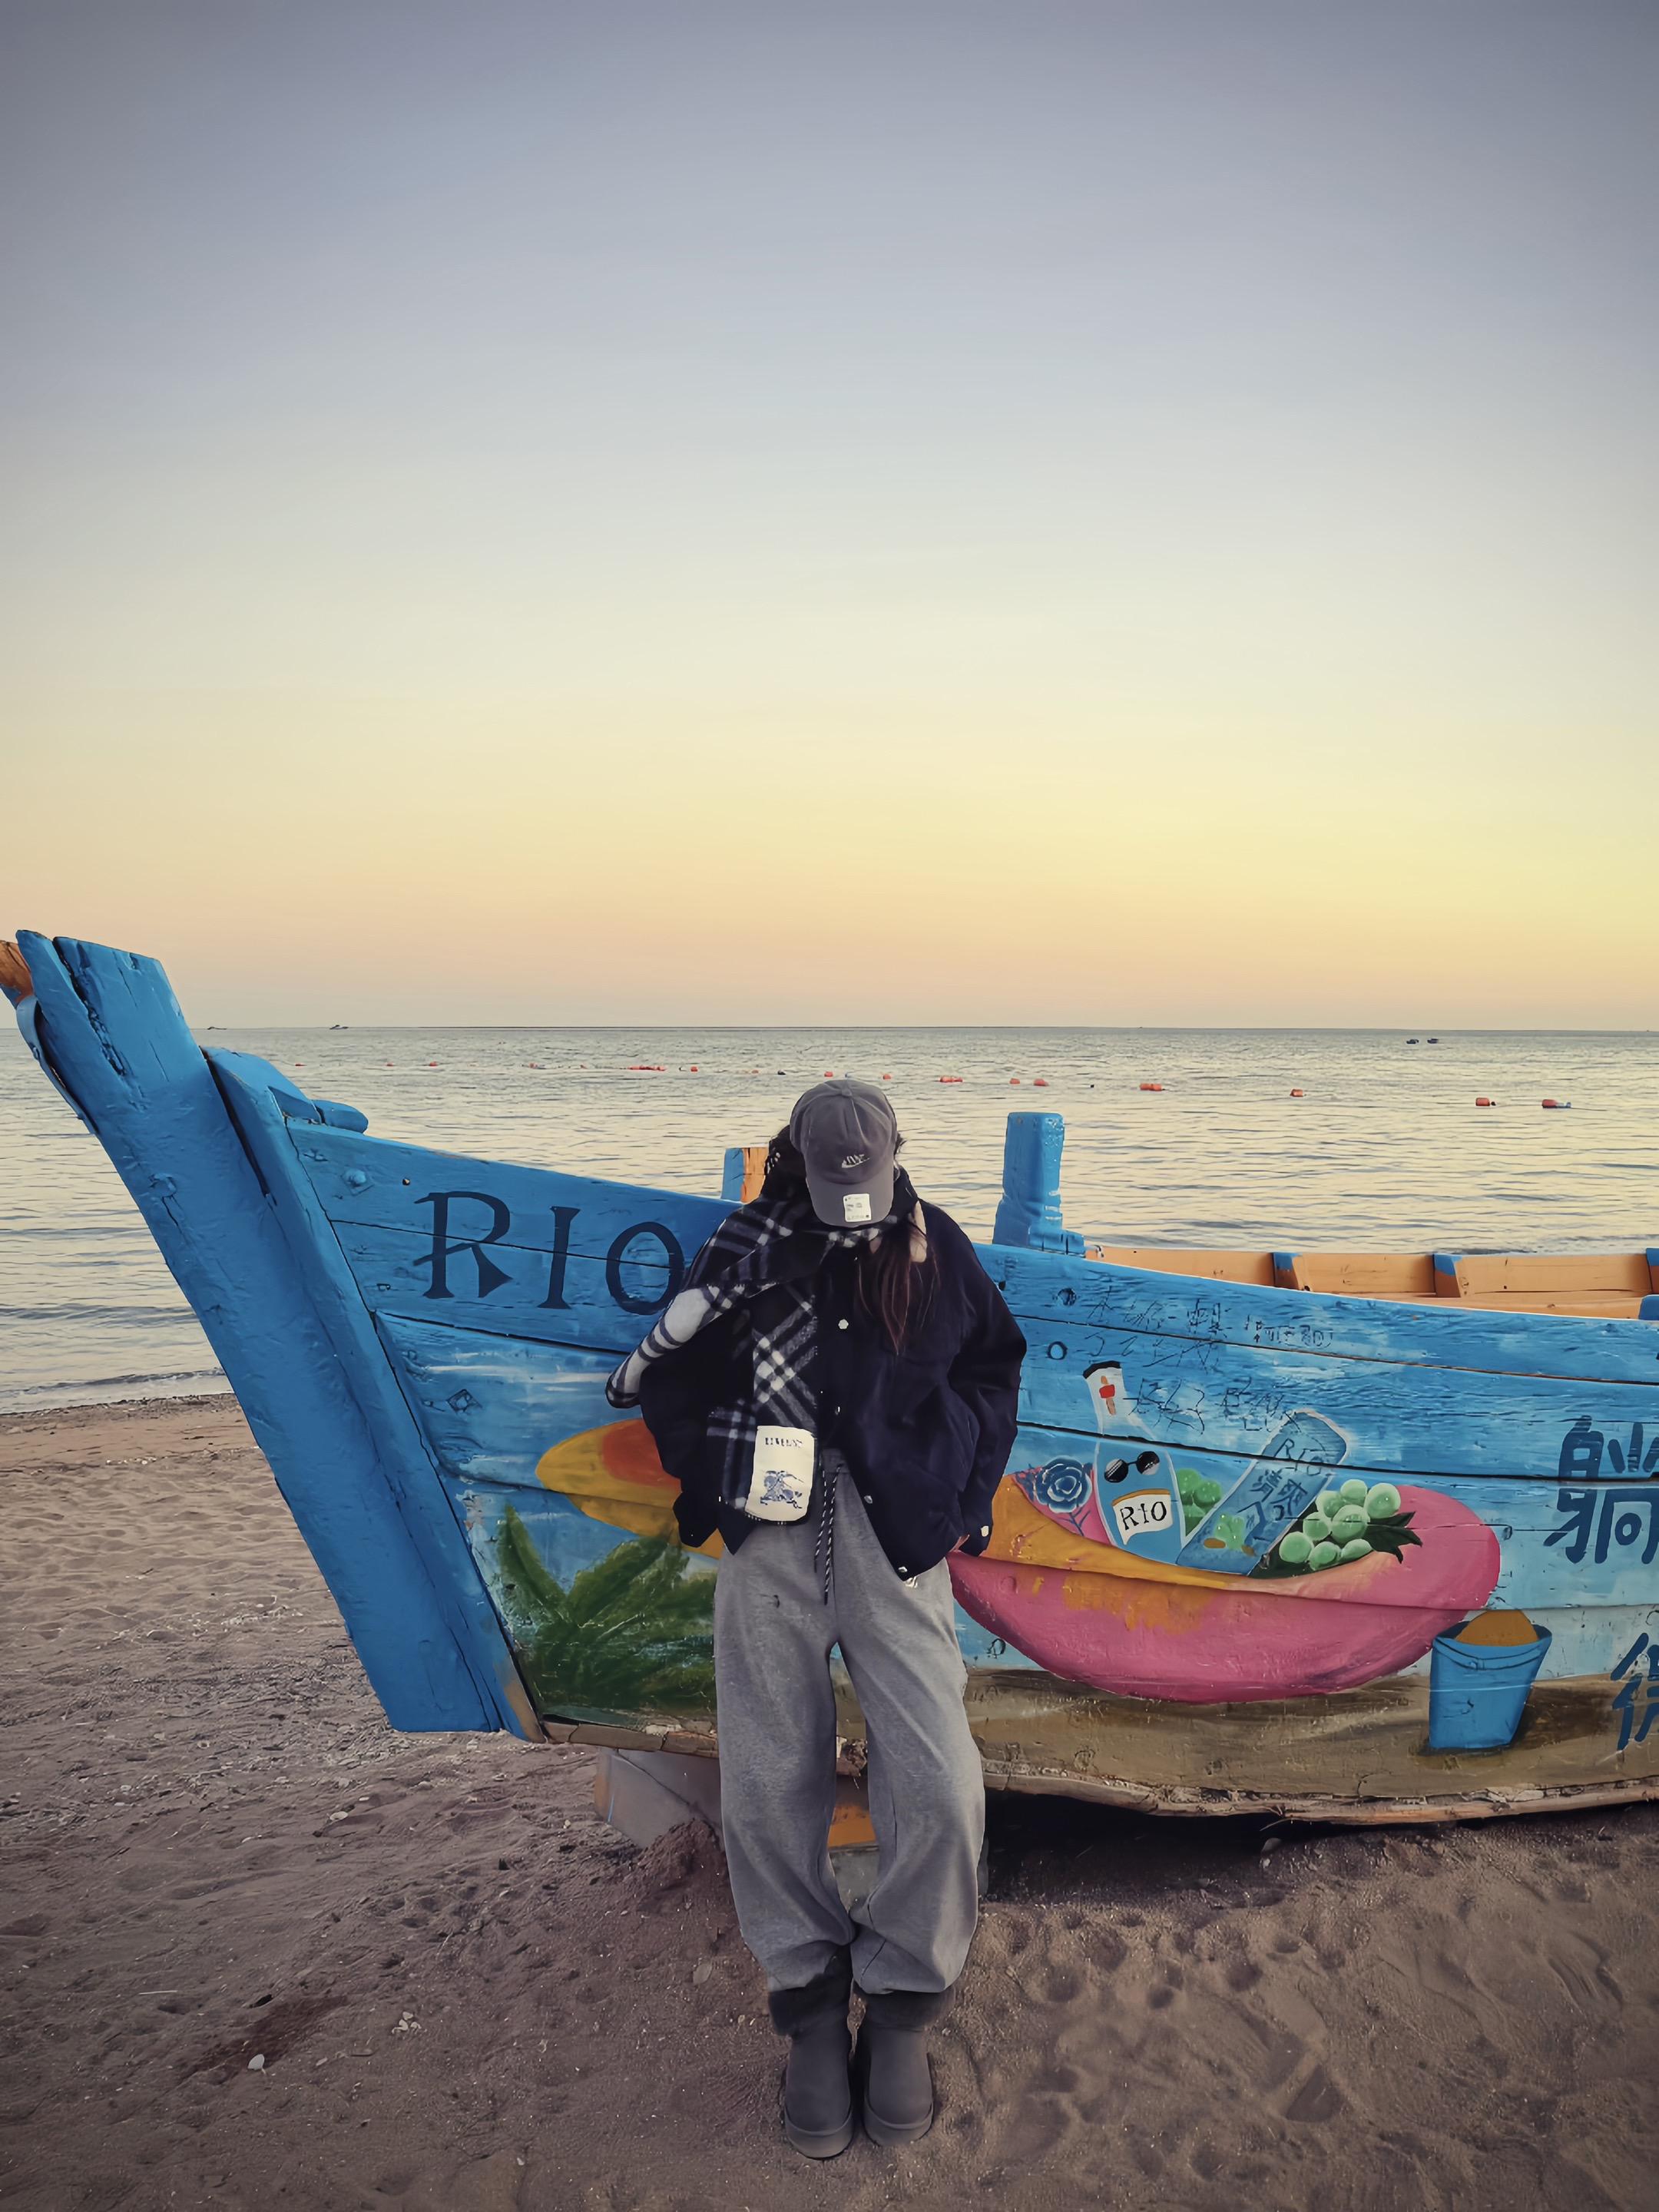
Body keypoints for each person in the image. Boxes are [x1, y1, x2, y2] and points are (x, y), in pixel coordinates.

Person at [606, 1079, 1025, 2157]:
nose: (856, 1205)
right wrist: (717, 1481)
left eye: (868, 1183)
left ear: (893, 1158)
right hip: (769, 1534)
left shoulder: (932, 1248)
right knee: (765, 1777)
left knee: (939, 1780)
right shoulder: (745, 1246)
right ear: (795, 1162)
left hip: (899, 1535)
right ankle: (805, 2008)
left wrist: (964, 1497)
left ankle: (902, 2008)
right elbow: (673, 1374)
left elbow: (993, 1366)